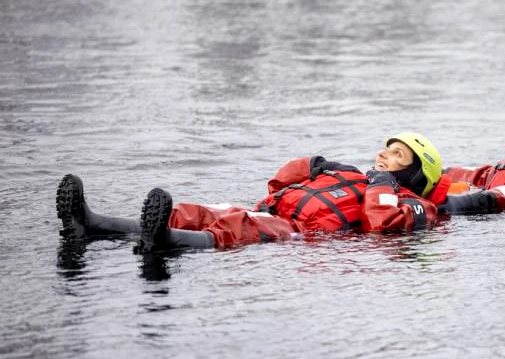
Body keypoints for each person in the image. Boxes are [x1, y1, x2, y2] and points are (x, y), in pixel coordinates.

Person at [57, 132, 454, 252]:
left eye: (396, 154)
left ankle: (163, 239)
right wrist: (314, 164)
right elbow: (278, 185)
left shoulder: (415, 204)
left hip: (301, 233)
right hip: (272, 210)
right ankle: (89, 223)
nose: (383, 154)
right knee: (195, 210)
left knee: (236, 225)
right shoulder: (352, 175)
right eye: (385, 147)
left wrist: (384, 186)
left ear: (417, 173)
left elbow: (380, 225)